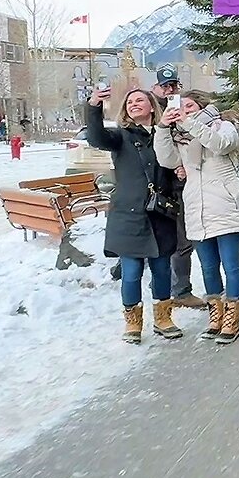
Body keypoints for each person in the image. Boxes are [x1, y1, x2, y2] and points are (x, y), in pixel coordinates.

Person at [85, 85, 182, 344]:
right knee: (131, 272)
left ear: (152, 106)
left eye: (140, 100)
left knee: (162, 270)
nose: (134, 104)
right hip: (129, 216)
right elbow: (95, 137)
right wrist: (94, 105)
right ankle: (133, 323)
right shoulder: (121, 137)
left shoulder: (166, 134)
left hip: (160, 213)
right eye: (130, 102)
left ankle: (163, 319)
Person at [155, 90, 239, 344]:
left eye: (189, 106)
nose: (184, 110)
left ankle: (232, 319)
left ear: (202, 106)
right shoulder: (181, 136)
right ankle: (216, 316)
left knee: (231, 265)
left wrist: (188, 122)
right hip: (197, 208)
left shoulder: (223, 126)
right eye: (181, 107)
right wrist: (164, 127)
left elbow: (220, 145)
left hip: (225, 206)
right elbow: (166, 159)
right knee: (208, 267)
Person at [150, 64, 205, 310]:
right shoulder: (151, 111)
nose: (169, 90)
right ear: (156, 88)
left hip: (180, 183)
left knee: (184, 239)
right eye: (165, 86)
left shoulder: (181, 111)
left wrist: (180, 166)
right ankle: (170, 288)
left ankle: (180, 289)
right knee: (167, 240)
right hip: (157, 184)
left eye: (173, 85)